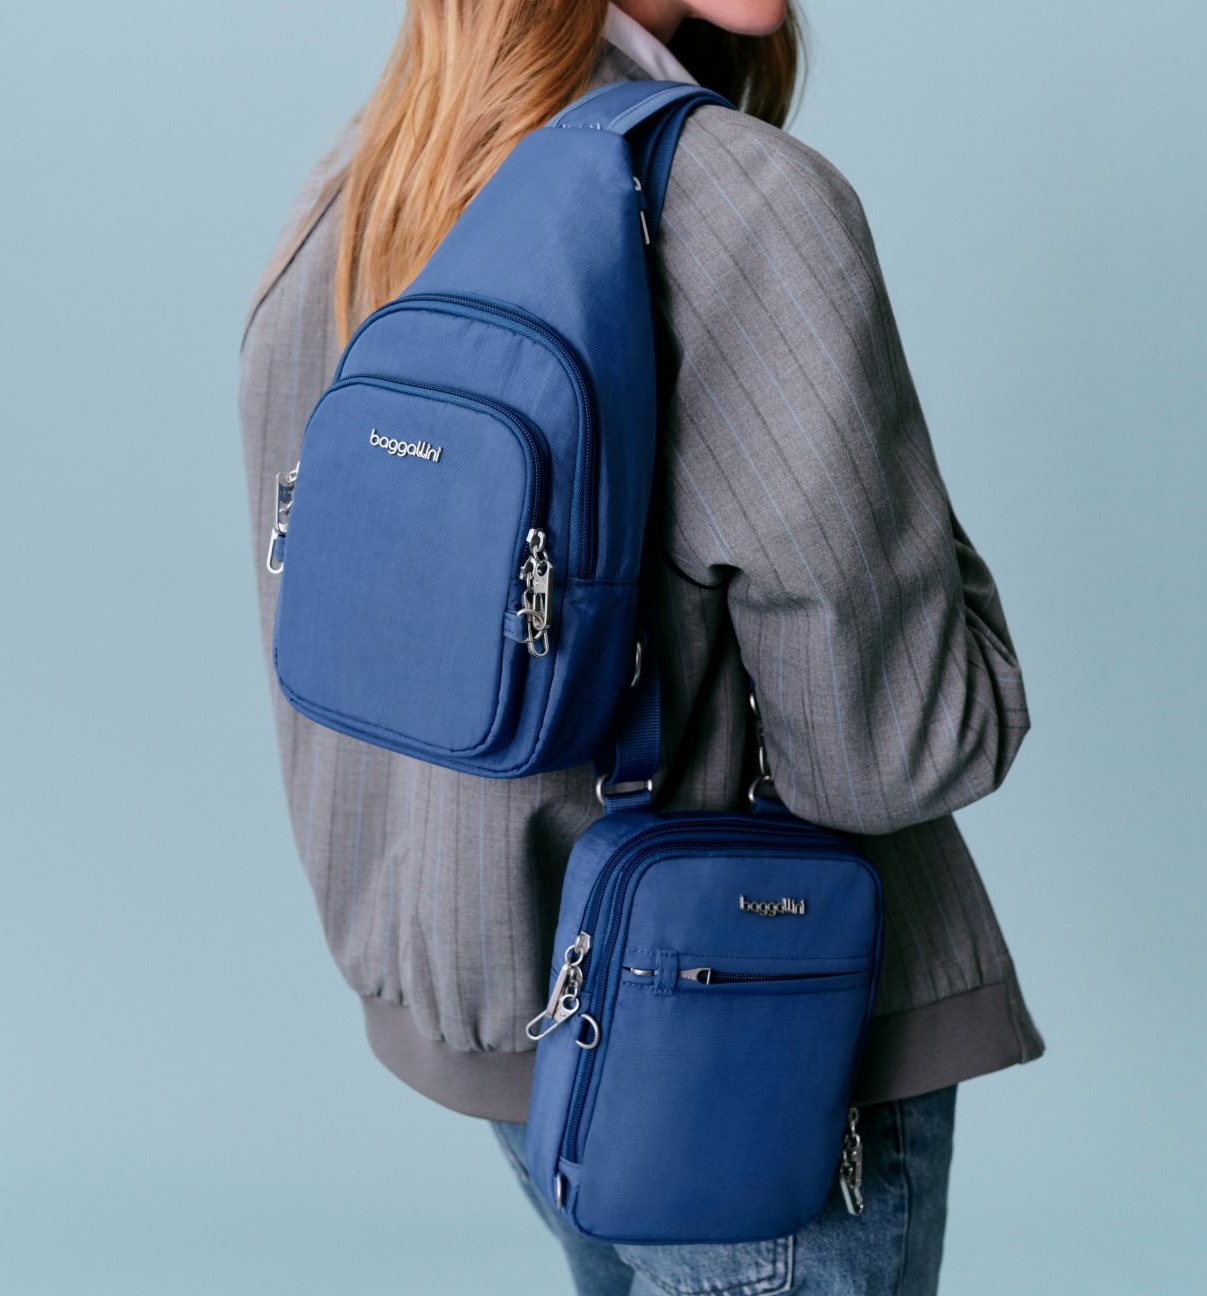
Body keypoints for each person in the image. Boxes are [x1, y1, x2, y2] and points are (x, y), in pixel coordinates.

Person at [238, 2, 1045, 1291]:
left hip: (515, 1035)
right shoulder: (737, 203)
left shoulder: (370, 186)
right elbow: (901, 748)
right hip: (750, 1038)